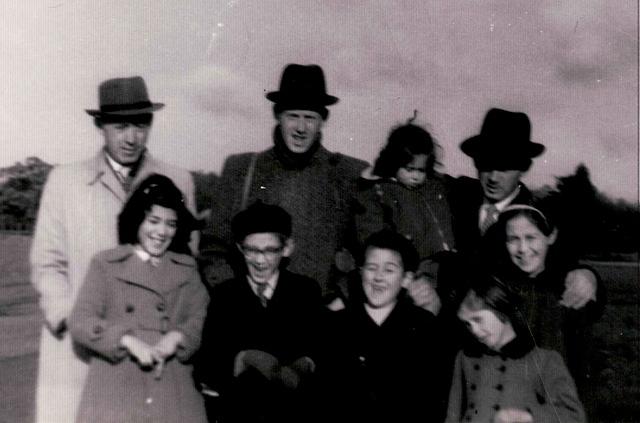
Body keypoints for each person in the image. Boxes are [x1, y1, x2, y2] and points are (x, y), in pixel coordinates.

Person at [30, 76, 196, 423]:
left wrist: (169, 338)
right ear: (100, 126)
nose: (131, 137)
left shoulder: (178, 180)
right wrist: (69, 319)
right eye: (120, 126)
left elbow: (185, 268)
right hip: (79, 351)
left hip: (152, 354)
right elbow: (48, 264)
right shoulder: (65, 181)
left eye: (140, 125)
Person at [201, 64, 367, 303]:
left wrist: (342, 296)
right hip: (254, 316)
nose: (301, 128)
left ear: (323, 120)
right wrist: (238, 298)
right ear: (278, 115)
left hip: (321, 317)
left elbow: (370, 256)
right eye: (293, 116)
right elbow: (213, 249)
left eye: (309, 118)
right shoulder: (243, 170)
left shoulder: (347, 175)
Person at [67, 174, 208, 423]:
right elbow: (80, 321)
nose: (161, 232)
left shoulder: (186, 268)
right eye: (153, 221)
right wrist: (126, 341)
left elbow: (202, 316)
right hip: (117, 384)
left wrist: (178, 337)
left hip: (173, 387)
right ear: (137, 219)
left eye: (171, 224)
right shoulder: (106, 264)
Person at [445, 107, 597, 309]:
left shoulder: (538, 215)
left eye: (505, 168)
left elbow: (563, 266)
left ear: (524, 168)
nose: (493, 178)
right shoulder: (456, 195)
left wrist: (589, 277)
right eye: (486, 165)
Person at [197, 201, 324, 423]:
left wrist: (304, 364)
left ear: (287, 248)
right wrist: (243, 359)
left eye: (270, 251)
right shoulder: (225, 295)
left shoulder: (305, 290)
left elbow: (321, 347)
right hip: (241, 412)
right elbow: (207, 364)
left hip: (294, 412)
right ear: (239, 248)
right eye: (251, 250)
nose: (259, 260)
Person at [319, 230, 447, 423]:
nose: (378, 277)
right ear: (360, 271)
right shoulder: (335, 325)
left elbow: (432, 403)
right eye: (371, 267)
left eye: (389, 270)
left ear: (406, 279)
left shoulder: (425, 328)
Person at [495, 205, 604, 415]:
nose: (522, 249)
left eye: (531, 237)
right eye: (513, 239)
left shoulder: (568, 294)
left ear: (551, 236)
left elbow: (583, 370)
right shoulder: (501, 293)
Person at [446, 275, 586, 423]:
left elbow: (574, 416)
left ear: (501, 310)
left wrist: (528, 416)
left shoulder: (544, 360)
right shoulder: (465, 357)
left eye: (478, 319)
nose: (473, 330)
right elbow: (452, 416)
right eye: (467, 324)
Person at [354, 119, 455, 314]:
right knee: (425, 310)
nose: (416, 176)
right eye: (409, 169)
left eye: (421, 170)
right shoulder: (381, 192)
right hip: (412, 269)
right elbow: (371, 234)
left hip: (442, 264)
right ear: (393, 163)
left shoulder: (433, 188)